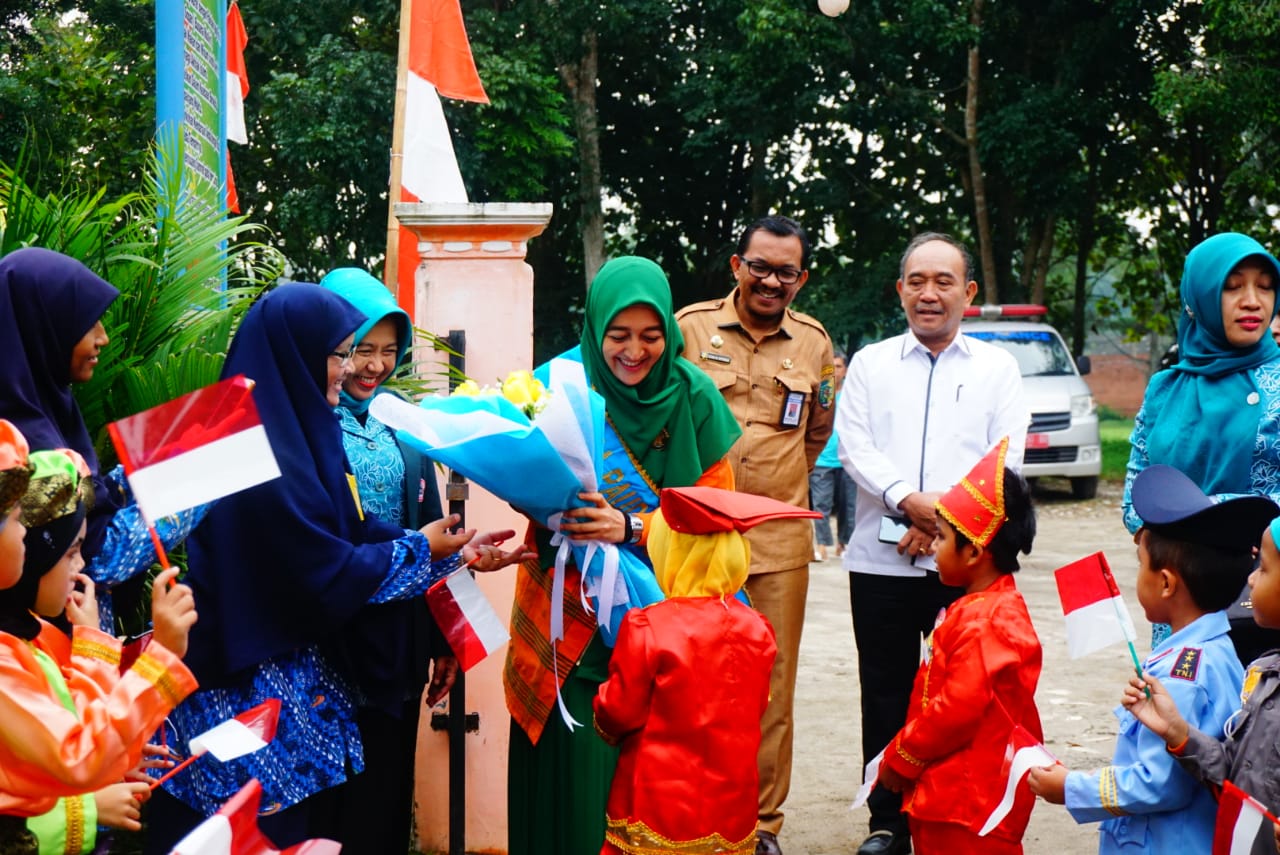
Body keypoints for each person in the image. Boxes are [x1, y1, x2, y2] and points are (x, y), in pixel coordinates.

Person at [143, 283, 527, 853]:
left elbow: (345, 532)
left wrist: (449, 554)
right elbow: (316, 565)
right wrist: (422, 550)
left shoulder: (307, 431)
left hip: (303, 701)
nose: (351, 369)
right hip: (240, 693)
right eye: (340, 352)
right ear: (295, 353)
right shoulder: (226, 435)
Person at [505, 256, 741, 855]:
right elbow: (526, 494)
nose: (634, 351)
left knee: (639, 790)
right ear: (595, 331)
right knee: (564, 777)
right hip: (567, 625)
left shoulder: (697, 398)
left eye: (651, 335)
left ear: (669, 331)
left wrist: (632, 525)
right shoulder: (554, 388)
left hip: (662, 629)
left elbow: (720, 517)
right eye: (619, 336)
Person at [836, 232, 1026, 855]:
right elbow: (856, 447)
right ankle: (887, 821)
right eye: (917, 280)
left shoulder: (997, 369)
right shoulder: (870, 363)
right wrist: (904, 499)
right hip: (880, 559)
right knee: (887, 688)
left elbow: (1006, 455)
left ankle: (948, 814)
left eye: (944, 281)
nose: (929, 293)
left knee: (963, 694)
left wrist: (941, 518)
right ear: (900, 290)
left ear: (968, 294)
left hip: (964, 565)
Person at [676, 215, 834, 855]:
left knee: (772, 685)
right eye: (761, 266)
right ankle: (690, 812)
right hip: (693, 541)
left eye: (786, 272)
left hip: (776, 546)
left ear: (802, 278)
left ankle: (762, 825)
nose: (772, 281)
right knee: (691, 677)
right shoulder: (689, 328)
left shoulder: (816, 344)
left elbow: (816, 434)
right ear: (736, 265)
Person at [1028, 463, 1277, 853]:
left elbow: (1161, 784)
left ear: (1165, 583)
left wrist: (1070, 787)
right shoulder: (1210, 651)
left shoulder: (1184, 672)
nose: (1137, 575)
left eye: (1141, 565)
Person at [0, 428, 199, 852]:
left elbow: (79, 737)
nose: (84, 563)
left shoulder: (31, 636)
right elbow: (78, 755)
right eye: (71, 550)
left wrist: (118, 757)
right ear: (40, 554)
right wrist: (160, 657)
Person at [594, 486, 819, 854]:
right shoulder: (757, 627)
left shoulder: (648, 625)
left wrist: (602, 708)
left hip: (656, 802)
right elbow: (758, 704)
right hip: (733, 804)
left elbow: (619, 711)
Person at [319, 268, 458, 854]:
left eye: (386, 351)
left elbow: (432, 534)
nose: (372, 366)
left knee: (386, 795)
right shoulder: (307, 422)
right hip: (330, 638)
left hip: (398, 640)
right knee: (332, 806)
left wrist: (445, 637)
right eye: (357, 350)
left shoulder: (401, 421)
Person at [0, 247, 204, 633]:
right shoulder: (19, 447)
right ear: (44, 327)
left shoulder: (44, 411)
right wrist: (202, 479)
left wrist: (168, 453)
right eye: (88, 324)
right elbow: (97, 557)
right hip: (50, 662)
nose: (104, 338)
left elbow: (91, 496)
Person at [874, 437, 1040, 854]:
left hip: (967, 800)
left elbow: (957, 707)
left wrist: (902, 756)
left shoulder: (989, 620)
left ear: (974, 552)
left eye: (942, 538)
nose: (931, 546)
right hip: (952, 793)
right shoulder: (980, 608)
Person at [1122, 233, 1280, 664]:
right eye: (1233, 287)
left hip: (1260, 591)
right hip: (1178, 592)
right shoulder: (1165, 388)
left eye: (1265, 286)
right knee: (1183, 713)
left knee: (1255, 720)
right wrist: (1153, 531)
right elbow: (1137, 482)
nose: (1252, 301)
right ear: (1200, 297)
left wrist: (1212, 518)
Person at [1120, 510, 1280, 854]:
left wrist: (1070, 787)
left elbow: (1161, 785)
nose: (1251, 580)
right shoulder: (1265, 674)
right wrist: (1179, 734)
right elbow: (1236, 776)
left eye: (1264, 569)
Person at [808, 351, 853, 560]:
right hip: (822, 459)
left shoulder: (853, 395)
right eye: (831, 367)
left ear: (845, 370)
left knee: (848, 505)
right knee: (821, 504)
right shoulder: (821, 395)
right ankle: (821, 544)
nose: (835, 371)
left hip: (847, 460)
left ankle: (844, 544)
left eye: (838, 366)